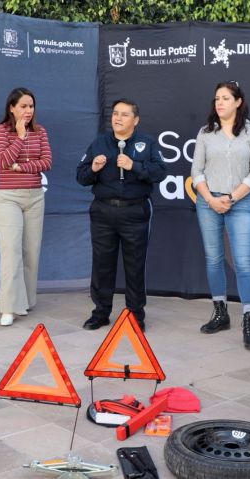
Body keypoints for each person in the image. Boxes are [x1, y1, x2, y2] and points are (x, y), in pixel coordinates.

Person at [76, 98, 167, 332]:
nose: (118, 118)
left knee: (134, 265)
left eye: (124, 114)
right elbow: (81, 176)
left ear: (135, 120)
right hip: (103, 212)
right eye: (115, 113)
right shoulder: (100, 143)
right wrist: (93, 168)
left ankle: (135, 315)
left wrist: (133, 165)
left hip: (135, 211)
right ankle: (100, 312)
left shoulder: (147, 143)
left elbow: (160, 172)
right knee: (102, 264)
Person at [191, 81, 250, 350]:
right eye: (217, 98)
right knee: (213, 259)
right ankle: (220, 313)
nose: (219, 102)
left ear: (238, 102)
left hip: (240, 203)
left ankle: (249, 321)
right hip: (208, 201)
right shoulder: (205, 132)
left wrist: (231, 198)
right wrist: (211, 199)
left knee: (244, 263)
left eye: (225, 98)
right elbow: (196, 171)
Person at [0, 87, 52, 326]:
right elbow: (3, 161)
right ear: (12, 108)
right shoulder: (1, 130)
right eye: (23, 106)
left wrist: (21, 167)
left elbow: (46, 162)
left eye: (31, 106)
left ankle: (24, 301)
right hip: (8, 198)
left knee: (31, 252)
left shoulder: (41, 131)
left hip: (35, 197)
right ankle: (8, 307)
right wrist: (19, 137)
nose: (28, 111)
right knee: (10, 252)